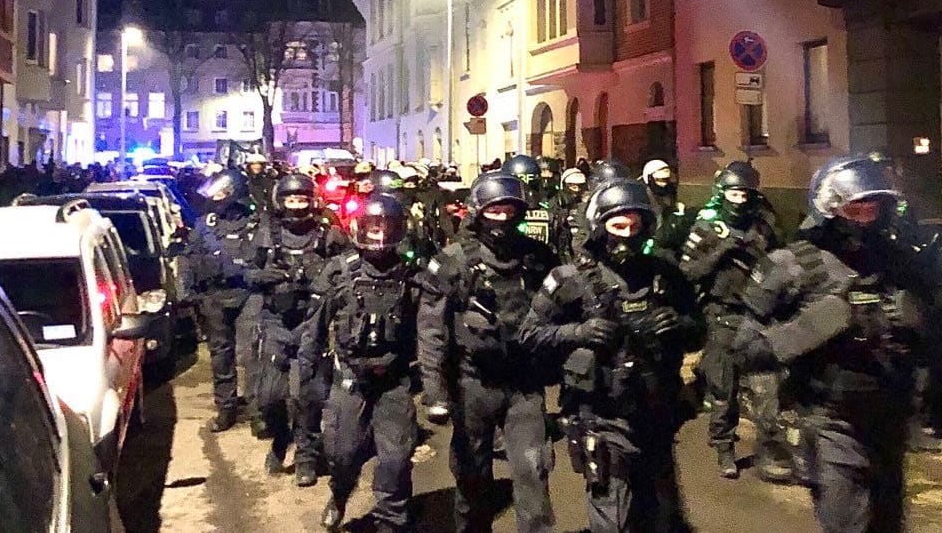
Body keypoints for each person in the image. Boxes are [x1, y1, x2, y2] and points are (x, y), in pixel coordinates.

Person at [732, 154, 929, 533]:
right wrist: (813, 326)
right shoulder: (791, 264)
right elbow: (743, 349)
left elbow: (932, 336)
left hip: (890, 419)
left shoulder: (897, 263)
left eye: (874, 210)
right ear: (831, 209)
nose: (866, 220)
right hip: (830, 421)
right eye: (856, 210)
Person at [521, 179, 701, 532]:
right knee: (612, 516)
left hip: (655, 413)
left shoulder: (664, 274)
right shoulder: (570, 278)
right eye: (618, 225)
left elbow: (698, 330)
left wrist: (679, 324)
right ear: (599, 226)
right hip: (600, 414)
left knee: (657, 516)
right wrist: (577, 332)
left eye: (636, 226)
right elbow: (530, 334)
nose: (627, 234)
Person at [420, 173, 560, 533]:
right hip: (472, 386)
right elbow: (432, 330)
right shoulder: (453, 261)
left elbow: (565, 313)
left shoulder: (539, 258)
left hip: (523, 386)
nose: (502, 219)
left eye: (509, 211)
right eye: (494, 211)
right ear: (478, 212)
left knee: (533, 473)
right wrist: (435, 392)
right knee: (472, 478)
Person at [300, 193, 423, 532]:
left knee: (396, 460)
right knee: (342, 454)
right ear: (359, 228)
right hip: (350, 377)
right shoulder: (339, 271)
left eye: (387, 227)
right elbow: (313, 328)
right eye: (373, 227)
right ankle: (340, 493)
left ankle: (391, 520)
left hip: (394, 381)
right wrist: (307, 378)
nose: (380, 235)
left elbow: (432, 328)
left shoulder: (412, 274)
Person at [680, 161, 785, 481]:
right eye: (733, 193)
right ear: (722, 194)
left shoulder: (764, 228)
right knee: (723, 389)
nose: (739, 200)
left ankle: (770, 447)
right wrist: (720, 253)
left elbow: (783, 263)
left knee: (767, 388)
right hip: (720, 314)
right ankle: (724, 446)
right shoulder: (708, 228)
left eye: (744, 194)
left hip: (757, 316)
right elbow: (687, 272)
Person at [248, 173, 340, 482]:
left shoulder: (327, 235)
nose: (297, 206)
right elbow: (248, 273)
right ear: (280, 201)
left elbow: (346, 272)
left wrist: (320, 282)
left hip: (311, 324)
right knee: (269, 397)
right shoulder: (268, 234)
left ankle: (306, 457)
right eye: (291, 200)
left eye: (302, 200)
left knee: (306, 396)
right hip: (275, 322)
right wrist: (272, 277)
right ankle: (280, 438)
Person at [184, 168, 270, 432]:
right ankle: (226, 409)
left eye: (222, 192)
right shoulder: (204, 223)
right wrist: (187, 293)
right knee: (221, 355)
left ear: (234, 194)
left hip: (248, 294)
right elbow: (189, 257)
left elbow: (268, 260)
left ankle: (258, 413)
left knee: (252, 355)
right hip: (213, 296)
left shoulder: (257, 222)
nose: (216, 197)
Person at [642, 160, 691, 254]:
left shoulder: (669, 191)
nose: (663, 184)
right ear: (649, 178)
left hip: (668, 236)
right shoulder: (645, 195)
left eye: (666, 180)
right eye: (659, 180)